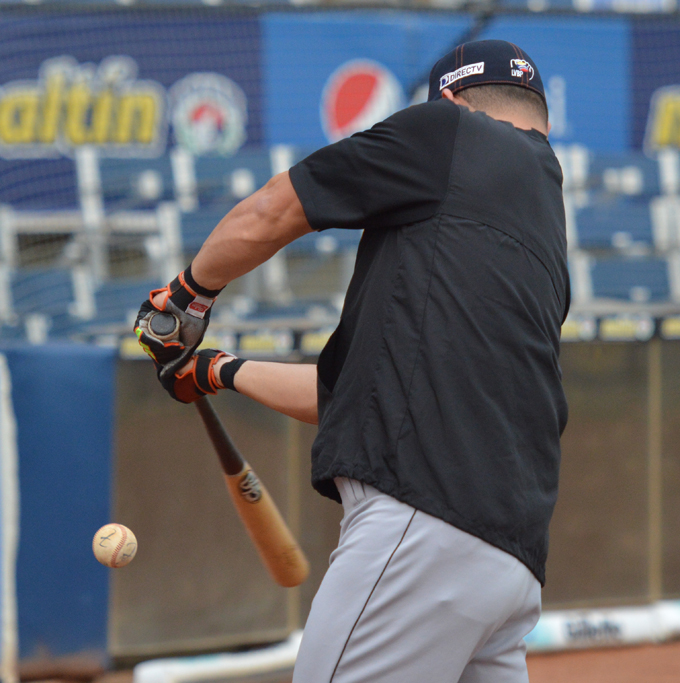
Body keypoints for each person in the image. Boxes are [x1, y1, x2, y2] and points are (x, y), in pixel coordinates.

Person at [135, 39, 569, 683]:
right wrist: (217, 368)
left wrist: (184, 299)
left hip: (422, 527)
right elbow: (354, 397)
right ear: (544, 117)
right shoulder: (544, 230)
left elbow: (272, 210)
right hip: (508, 569)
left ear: (449, 98)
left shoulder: (448, 130)